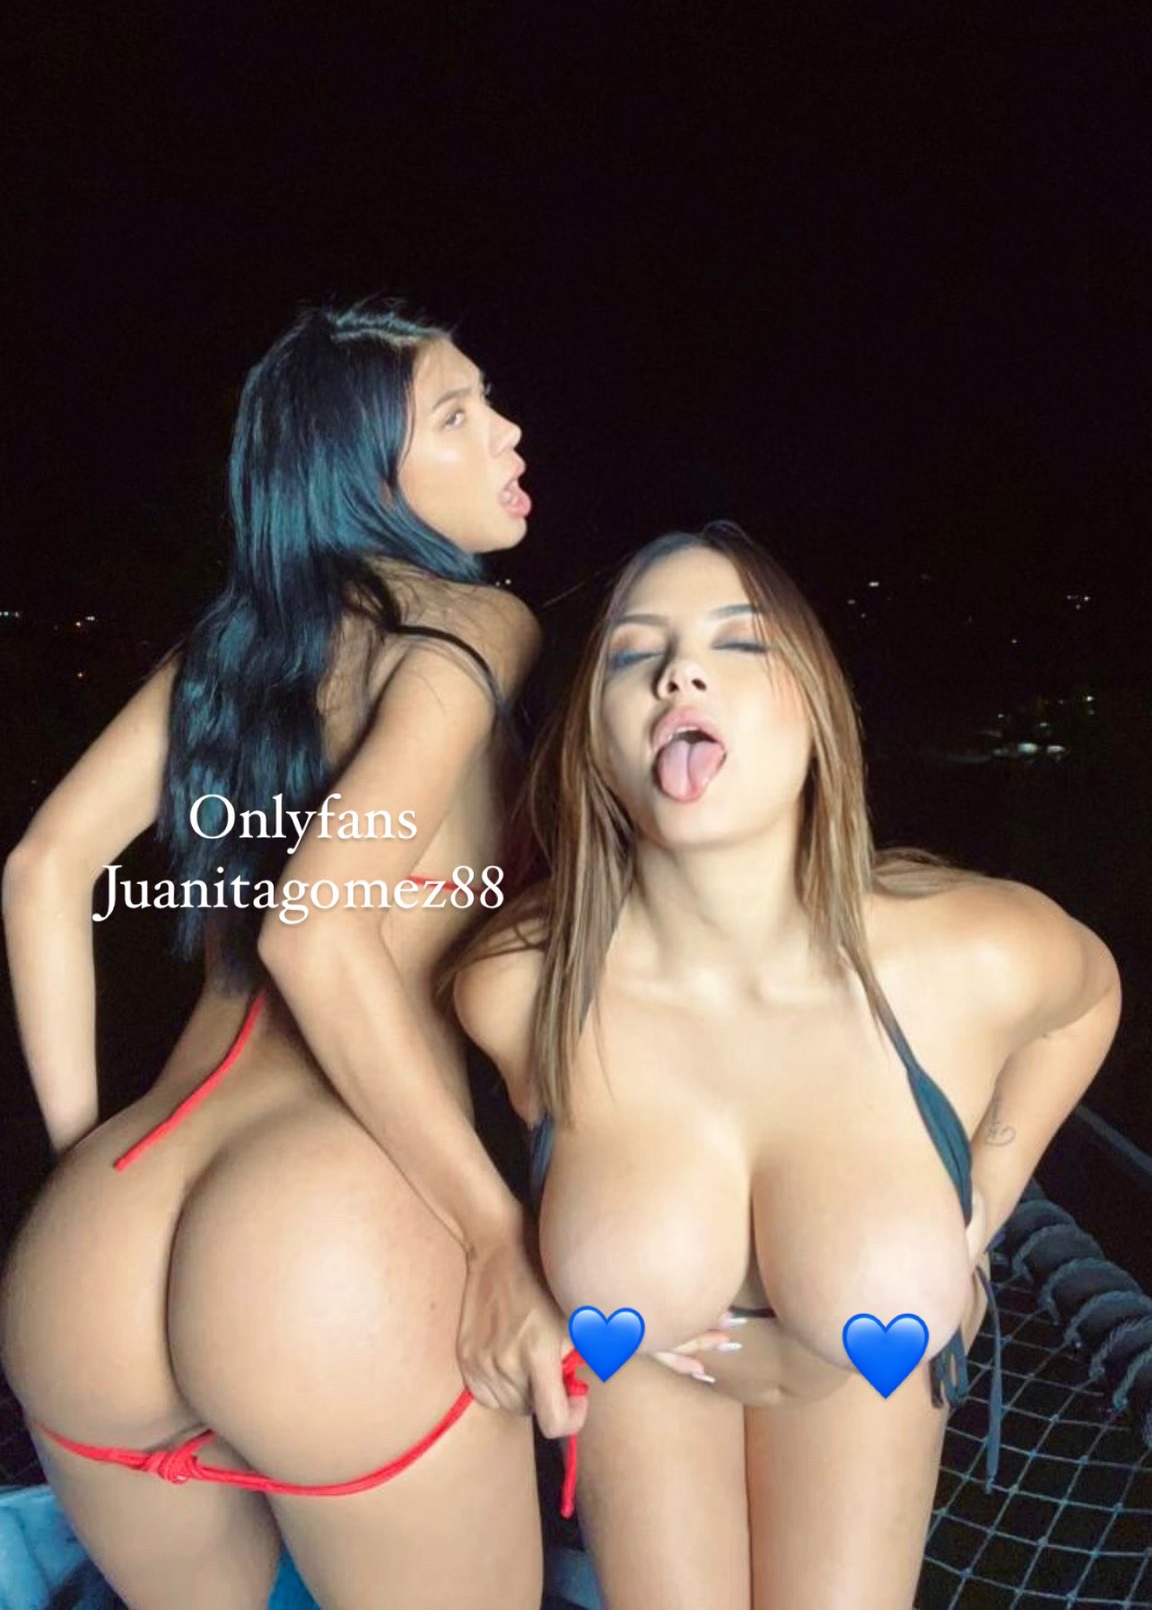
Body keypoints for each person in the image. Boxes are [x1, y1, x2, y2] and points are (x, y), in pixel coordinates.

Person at [0, 300, 585, 1610]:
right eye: (458, 415)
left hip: (98, 1239)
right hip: (323, 1241)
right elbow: (313, 927)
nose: (508, 432)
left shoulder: (231, 651)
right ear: (360, 477)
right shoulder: (473, 623)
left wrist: (86, 1159)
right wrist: (492, 1232)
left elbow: (42, 870)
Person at [444, 523, 1123, 1610]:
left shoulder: (970, 952)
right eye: (633, 652)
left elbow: (1090, 1001)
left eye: (738, 641)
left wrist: (982, 1200)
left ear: (816, 708)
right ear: (594, 743)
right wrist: (499, 1249)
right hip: (639, 1381)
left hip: (866, 1383)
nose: (679, 671)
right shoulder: (522, 986)